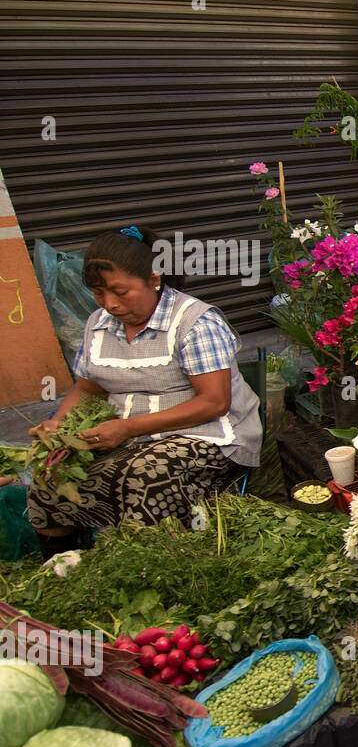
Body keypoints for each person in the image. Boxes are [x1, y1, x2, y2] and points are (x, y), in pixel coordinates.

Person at [26, 225, 262, 559]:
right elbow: (88, 387)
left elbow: (215, 402)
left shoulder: (194, 321)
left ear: (154, 279)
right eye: (98, 293)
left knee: (145, 476)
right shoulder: (98, 324)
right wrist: (59, 423)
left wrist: (128, 428)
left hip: (208, 438)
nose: (110, 304)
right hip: (126, 437)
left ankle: (149, 565)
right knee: (49, 475)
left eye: (120, 292)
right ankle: (62, 566)